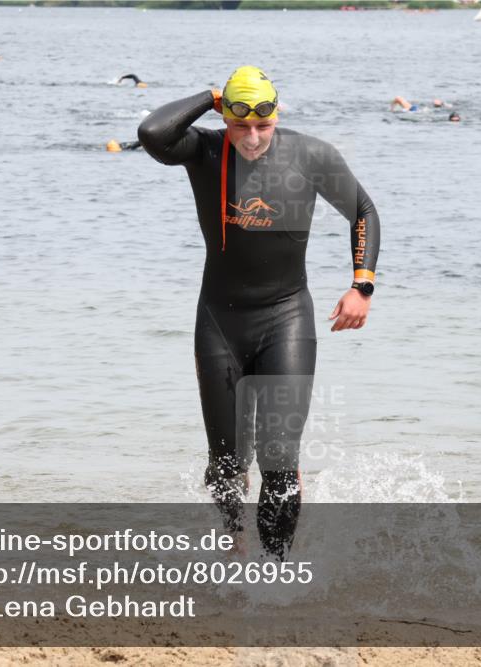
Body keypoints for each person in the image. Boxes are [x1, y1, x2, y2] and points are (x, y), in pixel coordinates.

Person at [138, 65, 380, 560]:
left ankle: (276, 573)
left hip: (285, 318)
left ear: (277, 112)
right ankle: (235, 546)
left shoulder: (310, 155)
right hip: (219, 323)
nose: (251, 137)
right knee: (225, 464)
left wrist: (362, 286)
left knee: (278, 458)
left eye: (262, 126)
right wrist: (212, 96)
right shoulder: (205, 151)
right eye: (240, 124)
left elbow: (363, 211)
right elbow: (152, 133)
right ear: (226, 116)